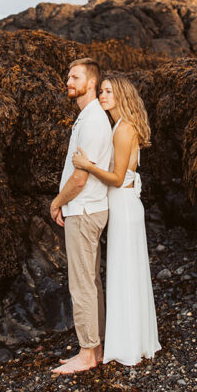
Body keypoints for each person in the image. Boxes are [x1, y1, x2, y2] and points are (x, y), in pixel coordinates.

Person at [72, 74, 160, 366]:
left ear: (121, 95)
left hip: (123, 206)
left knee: (124, 273)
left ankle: (127, 346)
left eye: (108, 91)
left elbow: (118, 178)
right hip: (125, 204)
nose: (103, 96)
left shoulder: (123, 130)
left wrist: (88, 166)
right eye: (102, 91)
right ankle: (133, 339)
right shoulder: (120, 126)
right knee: (127, 272)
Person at [49, 57, 113, 374]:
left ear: (90, 83)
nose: (68, 82)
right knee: (90, 281)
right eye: (67, 76)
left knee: (82, 284)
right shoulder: (89, 117)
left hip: (84, 210)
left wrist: (56, 203)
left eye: (74, 77)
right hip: (88, 208)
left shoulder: (92, 121)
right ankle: (95, 348)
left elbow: (79, 178)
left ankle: (88, 353)